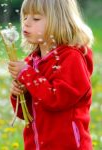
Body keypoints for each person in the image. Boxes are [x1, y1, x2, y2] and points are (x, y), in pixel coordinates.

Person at [8, 0, 94, 149]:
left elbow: (57, 99)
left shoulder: (71, 58)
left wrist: (28, 75)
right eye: (25, 17)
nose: (26, 23)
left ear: (59, 21)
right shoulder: (31, 61)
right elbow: (25, 115)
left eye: (36, 18)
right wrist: (19, 95)